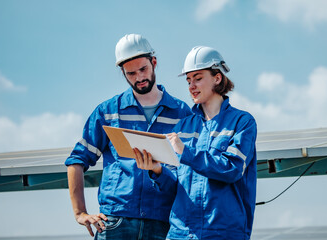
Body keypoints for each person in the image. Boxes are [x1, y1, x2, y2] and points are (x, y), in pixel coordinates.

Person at [65, 34, 192, 240]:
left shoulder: (181, 113)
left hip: (163, 222)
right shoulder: (108, 112)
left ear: (154, 62)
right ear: (123, 73)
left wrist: (159, 170)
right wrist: (80, 213)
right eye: (131, 73)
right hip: (115, 221)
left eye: (143, 69)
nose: (139, 78)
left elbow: (190, 171)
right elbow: (77, 160)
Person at [135, 46, 258, 239]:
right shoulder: (182, 127)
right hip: (181, 233)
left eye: (198, 78)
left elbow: (232, 168)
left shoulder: (242, 122)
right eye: (188, 80)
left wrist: (186, 152)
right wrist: (157, 170)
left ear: (217, 78)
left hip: (222, 233)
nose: (191, 85)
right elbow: (174, 185)